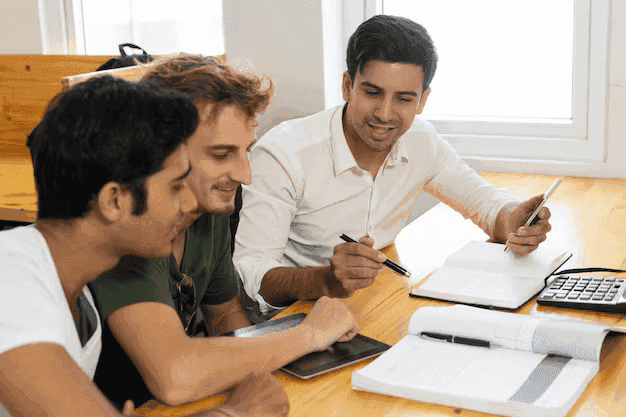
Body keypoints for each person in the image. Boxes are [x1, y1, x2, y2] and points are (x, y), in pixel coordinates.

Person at [0, 76, 287, 417]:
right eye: (175, 187)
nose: (188, 204)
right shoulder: (11, 276)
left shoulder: (78, 296)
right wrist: (238, 413)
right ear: (114, 200)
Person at [233, 14, 554, 318]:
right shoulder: (284, 154)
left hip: (367, 306)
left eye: (403, 99)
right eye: (373, 92)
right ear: (347, 86)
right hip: (289, 318)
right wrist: (324, 280)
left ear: (422, 100)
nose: (385, 114)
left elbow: (486, 205)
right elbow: (249, 275)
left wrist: (514, 223)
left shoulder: (421, 141)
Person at [88, 54, 359, 411]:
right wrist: (308, 335)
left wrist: (272, 376)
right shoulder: (130, 228)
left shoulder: (208, 212)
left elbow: (225, 317)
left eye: (245, 151)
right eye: (221, 155)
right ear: (161, 152)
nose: (245, 175)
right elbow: (174, 376)